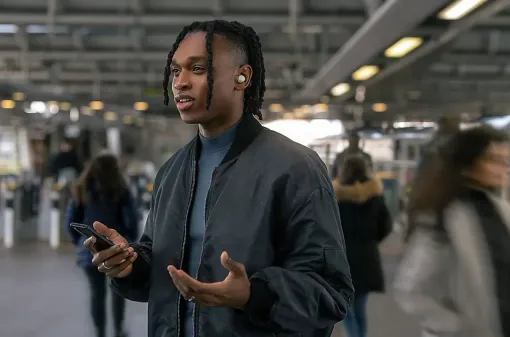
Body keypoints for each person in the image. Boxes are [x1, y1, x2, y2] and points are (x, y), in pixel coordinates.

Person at [83, 20, 353, 337]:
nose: (180, 82)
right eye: (175, 71)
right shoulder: (172, 172)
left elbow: (330, 292)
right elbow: (160, 267)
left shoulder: (295, 168)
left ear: (243, 77)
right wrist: (131, 267)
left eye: (197, 69)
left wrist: (254, 294)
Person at [394, 126, 510, 337]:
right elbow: (410, 290)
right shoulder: (441, 216)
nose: (505, 167)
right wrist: (459, 326)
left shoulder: (504, 211)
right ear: (467, 165)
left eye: (507, 160)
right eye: (494, 160)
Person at [65, 153, 139, 337]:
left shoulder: (82, 189)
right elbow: (131, 219)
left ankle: (99, 332)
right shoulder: (120, 190)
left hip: (89, 249)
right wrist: (130, 239)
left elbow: (71, 221)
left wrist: (79, 243)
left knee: (96, 293)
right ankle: (118, 329)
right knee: (118, 289)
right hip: (116, 247)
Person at [332, 155, 392, 337]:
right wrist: (371, 242)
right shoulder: (375, 195)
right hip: (367, 257)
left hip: (342, 257)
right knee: (360, 306)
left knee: (346, 307)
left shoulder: (334, 196)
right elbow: (386, 225)